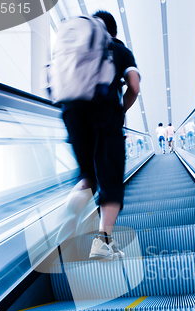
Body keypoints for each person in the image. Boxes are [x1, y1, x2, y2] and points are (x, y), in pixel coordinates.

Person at [61, 11, 140, 260]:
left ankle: (69, 211)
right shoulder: (118, 48)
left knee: (88, 176)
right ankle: (103, 241)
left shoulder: (76, 47)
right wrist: (120, 110)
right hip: (105, 113)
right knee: (111, 181)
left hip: (72, 111)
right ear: (113, 31)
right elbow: (134, 86)